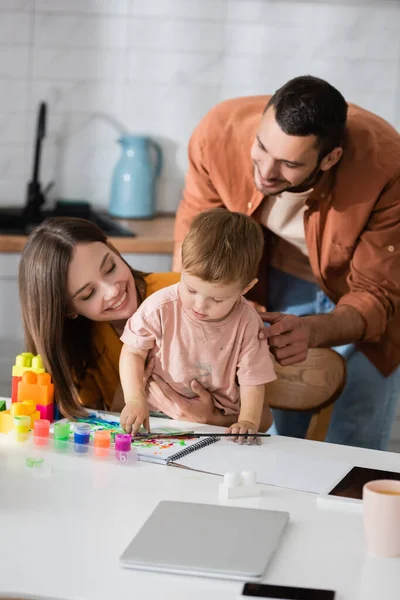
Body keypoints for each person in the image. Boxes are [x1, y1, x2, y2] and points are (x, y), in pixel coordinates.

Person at [172, 75, 400, 450]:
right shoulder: (219, 134)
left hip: (371, 298)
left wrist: (312, 331)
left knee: (355, 433)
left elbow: (377, 292)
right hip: (278, 281)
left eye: (289, 164)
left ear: (330, 158)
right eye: (261, 147)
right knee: (278, 428)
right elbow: (196, 237)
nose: (265, 171)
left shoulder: (386, 168)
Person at [119, 209, 276, 436]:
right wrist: (134, 399)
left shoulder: (247, 324)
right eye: (191, 289)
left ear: (246, 288)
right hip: (155, 414)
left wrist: (248, 422)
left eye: (217, 298)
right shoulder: (159, 308)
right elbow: (133, 352)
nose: (200, 305)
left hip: (219, 425)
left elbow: (253, 379)